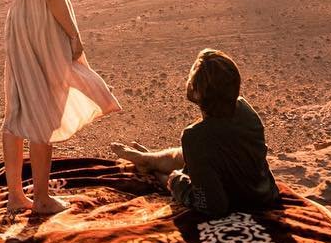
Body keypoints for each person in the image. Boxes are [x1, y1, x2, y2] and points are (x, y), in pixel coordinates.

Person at [0, 0, 121, 215]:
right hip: (43, 22)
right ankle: (41, 197)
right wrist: (73, 34)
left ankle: (15, 196)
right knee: (46, 106)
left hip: (19, 17)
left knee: (18, 107)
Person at [111, 48, 279, 218]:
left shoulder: (195, 136)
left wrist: (176, 181)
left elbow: (212, 205)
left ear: (197, 92)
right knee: (192, 153)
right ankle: (148, 159)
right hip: (265, 192)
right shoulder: (245, 110)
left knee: (180, 174)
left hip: (242, 202)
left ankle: (152, 169)